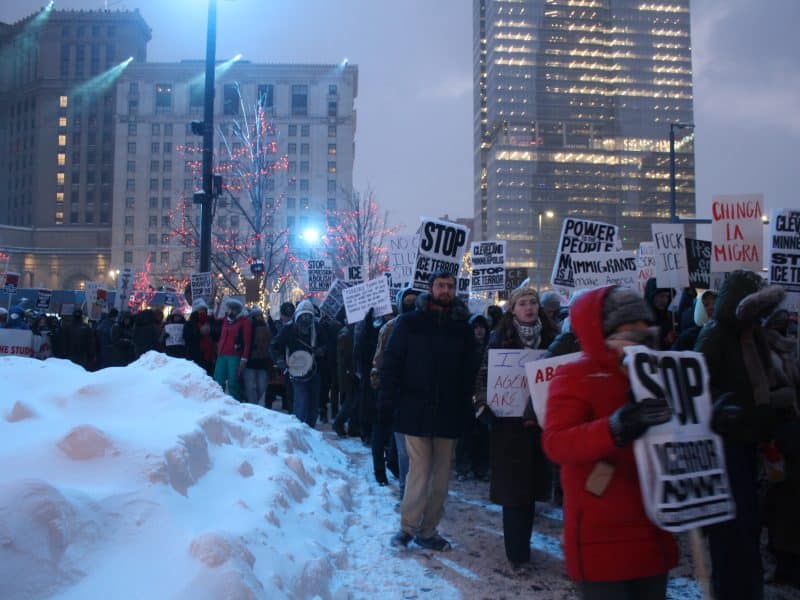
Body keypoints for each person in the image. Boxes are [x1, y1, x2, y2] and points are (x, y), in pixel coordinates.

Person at [543, 285, 678, 599]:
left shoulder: (662, 372)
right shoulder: (577, 375)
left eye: (644, 327)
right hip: (601, 529)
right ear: (602, 331)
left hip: (651, 527)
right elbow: (556, 442)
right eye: (629, 329)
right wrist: (615, 428)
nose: (640, 335)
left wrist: (712, 420)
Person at [695, 271, 786, 600]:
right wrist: (722, 407)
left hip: (751, 439)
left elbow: (762, 381)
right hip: (725, 443)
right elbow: (697, 384)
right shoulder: (715, 334)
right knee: (730, 525)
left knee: (748, 524)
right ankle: (731, 590)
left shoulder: (754, 335)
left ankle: (748, 588)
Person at [381, 270, 474, 552]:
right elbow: (392, 362)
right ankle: (407, 528)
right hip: (415, 409)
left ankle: (428, 530)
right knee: (418, 473)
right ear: (430, 288)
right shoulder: (409, 323)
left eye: (450, 286)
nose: (445, 290)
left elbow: (470, 369)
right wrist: (388, 400)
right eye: (441, 285)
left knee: (442, 479)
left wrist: (465, 406)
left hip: (449, 411)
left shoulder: (463, 327)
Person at [472, 287, 558, 570]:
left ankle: (525, 546)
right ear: (513, 309)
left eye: (533, 302)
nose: (529, 307)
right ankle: (516, 554)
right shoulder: (499, 339)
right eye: (523, 303)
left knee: (531, 488)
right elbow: (483, 378)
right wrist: (483, 406)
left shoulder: (551, 340)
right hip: (507, 425)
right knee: (513, 492)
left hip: (538, 425)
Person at [371, 287, 419, 495]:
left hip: (410, 391)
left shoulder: (421, 327)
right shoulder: (390, 327)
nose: (410, 305)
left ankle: (396, 469)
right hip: (389, 387)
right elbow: (379, 359)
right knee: (382, 429)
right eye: (407, 301)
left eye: (413, 301)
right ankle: (380, 471)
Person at [270, 299, 328, 427]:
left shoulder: (317, 328)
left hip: (314, 370)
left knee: (313, 405)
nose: (306, 320)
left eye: (309, 317)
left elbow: (327, 344)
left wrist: (321, 350)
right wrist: (280, 361)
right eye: (303, 317)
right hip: (295, 371)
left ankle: (310, 432)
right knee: (301, 404)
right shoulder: (288, 329)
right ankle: (299, 431)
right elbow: (273, 346)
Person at [455, 314, 491, 481]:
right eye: (476, 327)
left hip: (486, 397)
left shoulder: (491, 348)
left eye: (482, 327)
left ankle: (481, 468)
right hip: (466, 397)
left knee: (483, 435)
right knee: (466, 434)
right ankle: (463, 467)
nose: (479, 331)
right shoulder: (463, 348)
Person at [214, 298, 252, 401]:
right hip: (222, 354)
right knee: (218, 380)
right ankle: (217, 402)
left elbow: (247, 342)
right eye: (229, 309)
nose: (230, 311)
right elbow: (215, 319)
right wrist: (216, 306)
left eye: (232, 309)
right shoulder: (226, 320)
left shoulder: (245, 322)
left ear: (238, 310)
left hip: (234, 355)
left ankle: (236, 403)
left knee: (233, 382)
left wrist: (244, 358)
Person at [242, 306, 272, 406]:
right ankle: (254, 406)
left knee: (252, 387)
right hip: (260, 362)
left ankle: (252, 406)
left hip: (252, 361)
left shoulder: (250, 326)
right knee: (259, 387)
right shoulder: (266, 327)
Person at [184, 299, 217, 376]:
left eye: (203, 310)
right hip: (195, 355)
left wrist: (212, 330)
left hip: (209, 357)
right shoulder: (189, 324)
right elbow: (187, 336)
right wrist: (199, 332)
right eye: (200, 310)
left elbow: (216, 335)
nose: (202, 312)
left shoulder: (210, 321)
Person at [644, 278, 676, 349]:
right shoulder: (641, 318)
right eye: (661, 296)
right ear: (651, 296)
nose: (665, 300)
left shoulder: (671, 317)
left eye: (667, 296)